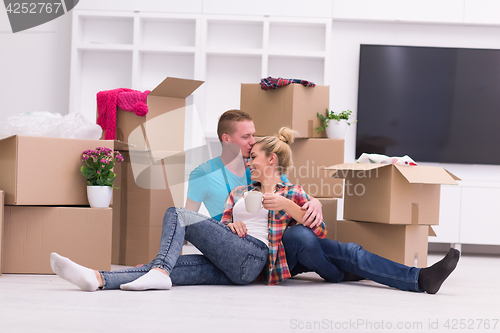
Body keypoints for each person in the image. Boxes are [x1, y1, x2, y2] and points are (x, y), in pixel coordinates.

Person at [50, 127, 326, 290]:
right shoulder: (239, 192)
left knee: (177, 213)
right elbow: (225, 225)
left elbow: (319, 232)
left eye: (253, 157)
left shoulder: (293, 192)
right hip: (232, 261)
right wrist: (230, 227)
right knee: (170, 268)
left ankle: (158, 271)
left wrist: (290, 205)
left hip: (255, 259)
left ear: (271, 159)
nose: (249, 161)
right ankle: (96, 278)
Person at [184, 109, 323, 226]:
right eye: (246, 137)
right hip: (230, 243)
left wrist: (316, 202)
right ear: (226, 139)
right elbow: (186, 223)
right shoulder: (203, 175)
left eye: (253, 135)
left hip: (270, 239)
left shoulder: (263, 167)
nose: (253, 141)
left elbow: (293, 193)